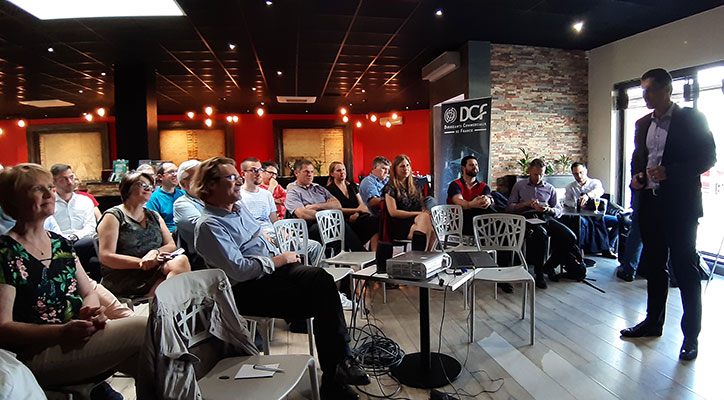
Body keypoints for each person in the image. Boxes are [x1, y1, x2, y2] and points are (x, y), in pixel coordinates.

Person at [192, 157, 370, 400]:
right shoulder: (209, 226)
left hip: (270, 272)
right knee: (323, 300)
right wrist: (279, 260)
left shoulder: (238, 208)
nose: (237, 182)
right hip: (244, 291)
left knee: (322, 280)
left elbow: (260, 239)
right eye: (231, 178)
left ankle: (338, 367)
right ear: (210, 185)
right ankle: (336, 372)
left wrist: (277, 254)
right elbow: (240, 270)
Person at [0, 163, 146, 397]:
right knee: (143, 327)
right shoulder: (5, 252)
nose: (50, 194)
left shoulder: (60, 243)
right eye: (38, 189)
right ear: (13, 199)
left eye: (50, 187)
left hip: (75, 339)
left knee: (154, 359)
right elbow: (3, 328)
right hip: (35, 353)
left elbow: (88, 291)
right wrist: (61, 332)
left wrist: (92, 311)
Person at [621, 68, 716, 361]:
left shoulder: (692, 119)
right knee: (653, 265)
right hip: (649, 203)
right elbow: (638, 159)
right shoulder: (640, 124)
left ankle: (691, 336)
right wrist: (636, 178)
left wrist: (669, 172)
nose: (645, 95)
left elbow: (708, 157)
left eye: (649, 90)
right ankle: (653, 322)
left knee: (685, 269)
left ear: (666, 91)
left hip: (680, 206)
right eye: (643, 90)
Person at [96, 171, 191, 297]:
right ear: (127, 187)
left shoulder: (153, 215)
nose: (148, 188)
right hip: (125, 274)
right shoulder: (113, 216)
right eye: (142, 184)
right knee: (172, 285)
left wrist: (155, 252)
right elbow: (106, 256)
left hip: (153, 270)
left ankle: (159, 308)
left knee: (181, 262)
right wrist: (141, 263)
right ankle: (160, 308)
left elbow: (170, 244)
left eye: (150, 186)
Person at [506, 159, 578, 289]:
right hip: (526, 217)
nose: (538, 177)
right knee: (540, 234)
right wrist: (526, 204)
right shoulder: (519, 186)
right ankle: (538, 273)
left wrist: (548, 210)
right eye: (535, 174)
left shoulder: (549, 188)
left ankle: (549, 266)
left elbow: (558, 210)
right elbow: (509, 207)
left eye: (541, 174)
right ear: (529, 172)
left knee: (570, 237)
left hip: (545, 217)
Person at [285, 159, 366, 252]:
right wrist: (327, 209)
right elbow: (303, 214)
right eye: (306, 172)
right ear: (296, 173)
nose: (310, 174)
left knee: (345, 224)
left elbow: (337, 205)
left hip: (326, 223)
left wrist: (316, 206)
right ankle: (360, 253)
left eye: (312, 172)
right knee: (339, 224)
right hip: (308, 228)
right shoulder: (293, 192)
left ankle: (350, 255)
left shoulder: (318, 188)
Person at [50, 164, 101, 280]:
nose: (69, 182)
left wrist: (74, 237)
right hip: (58, 244)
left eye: (71, 177)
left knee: (95, 259)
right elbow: (50, 228)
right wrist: (65, 238)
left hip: (82, 241)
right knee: (93, 245)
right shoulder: (49, 202)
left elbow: (90, 226)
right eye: (64, 179)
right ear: (54, 182)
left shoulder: (85, 201)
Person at [563, 162, 619, 258]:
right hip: (581, 215)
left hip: (597, 214)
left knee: (618, 221)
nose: (579, 176)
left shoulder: (595, 182)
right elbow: (566, 201)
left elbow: (600, 191)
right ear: (572, 174)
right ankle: (581, 249)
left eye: (581, 172)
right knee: (581, 223)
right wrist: (576, 204)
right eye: (576, 174)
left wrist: (587, 195)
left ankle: (609, 247)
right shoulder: (570, 187)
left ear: (586, 171)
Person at [383, 154, 436, 250]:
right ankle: (423, 256)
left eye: (407, 165)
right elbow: (393, 212)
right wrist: (419, 213)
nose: (406, 168)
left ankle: (423, 256)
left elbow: (421, 205)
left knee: (430, 226)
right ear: (395, 169)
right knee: (428, 226)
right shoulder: (390, 188)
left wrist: (423, 211)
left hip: (418, 221)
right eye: (402, 166)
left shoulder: (416, 184)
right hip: (400, 224)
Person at [325, 161, 379, 251]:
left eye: (343, 170)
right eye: (338, 170)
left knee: (376, 220)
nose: (342, 172)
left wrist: (357, 212)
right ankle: (360, 251)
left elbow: (362, 204)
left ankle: (373, 254)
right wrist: (356, 211)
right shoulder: (329, 190)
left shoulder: (352, 186)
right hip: (342, 219)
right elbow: (336, 209)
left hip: (357, 216)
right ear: (332, 174)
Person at [446, 155, 497, 235]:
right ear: (463, 168)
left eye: (476, 165)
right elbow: (458, 202)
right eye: (471, 165)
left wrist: (488, 200)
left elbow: (487, 198)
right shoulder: (455, 185)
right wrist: (473, 204)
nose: (475, 167)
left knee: (488, 201)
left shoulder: (484, 186)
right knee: (478, 201)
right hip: (459, 221)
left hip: (480, 221)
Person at [173, 159, 206, 270]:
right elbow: (204, 227)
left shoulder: (213, 199)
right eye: (198, 178)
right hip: (201, 259)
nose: (204, 181)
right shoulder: (182, 204)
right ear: (183, 183)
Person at [145, 162, 185, 233]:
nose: (175, 175)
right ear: (160, 177)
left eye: (177, 171)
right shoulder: (153, 198)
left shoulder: (183, 194)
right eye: (171, 172)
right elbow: (153, 224)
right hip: (168, 235)